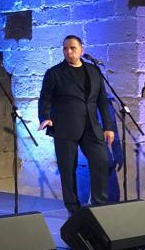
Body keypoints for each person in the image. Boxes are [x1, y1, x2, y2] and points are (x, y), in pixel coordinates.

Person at [38, 35, 114, 212]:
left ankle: (99, 205)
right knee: (67, 170)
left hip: (91, 126)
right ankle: (73, 208)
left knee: (101, 161)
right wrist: (45, 117)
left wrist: (108, 127)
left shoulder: (93, 70)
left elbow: (102, 100)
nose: (68, 51)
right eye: (65, 48)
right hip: (64, 126)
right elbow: (45, 99)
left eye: (72, 48)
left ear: (81, 50)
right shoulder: (54, 73)